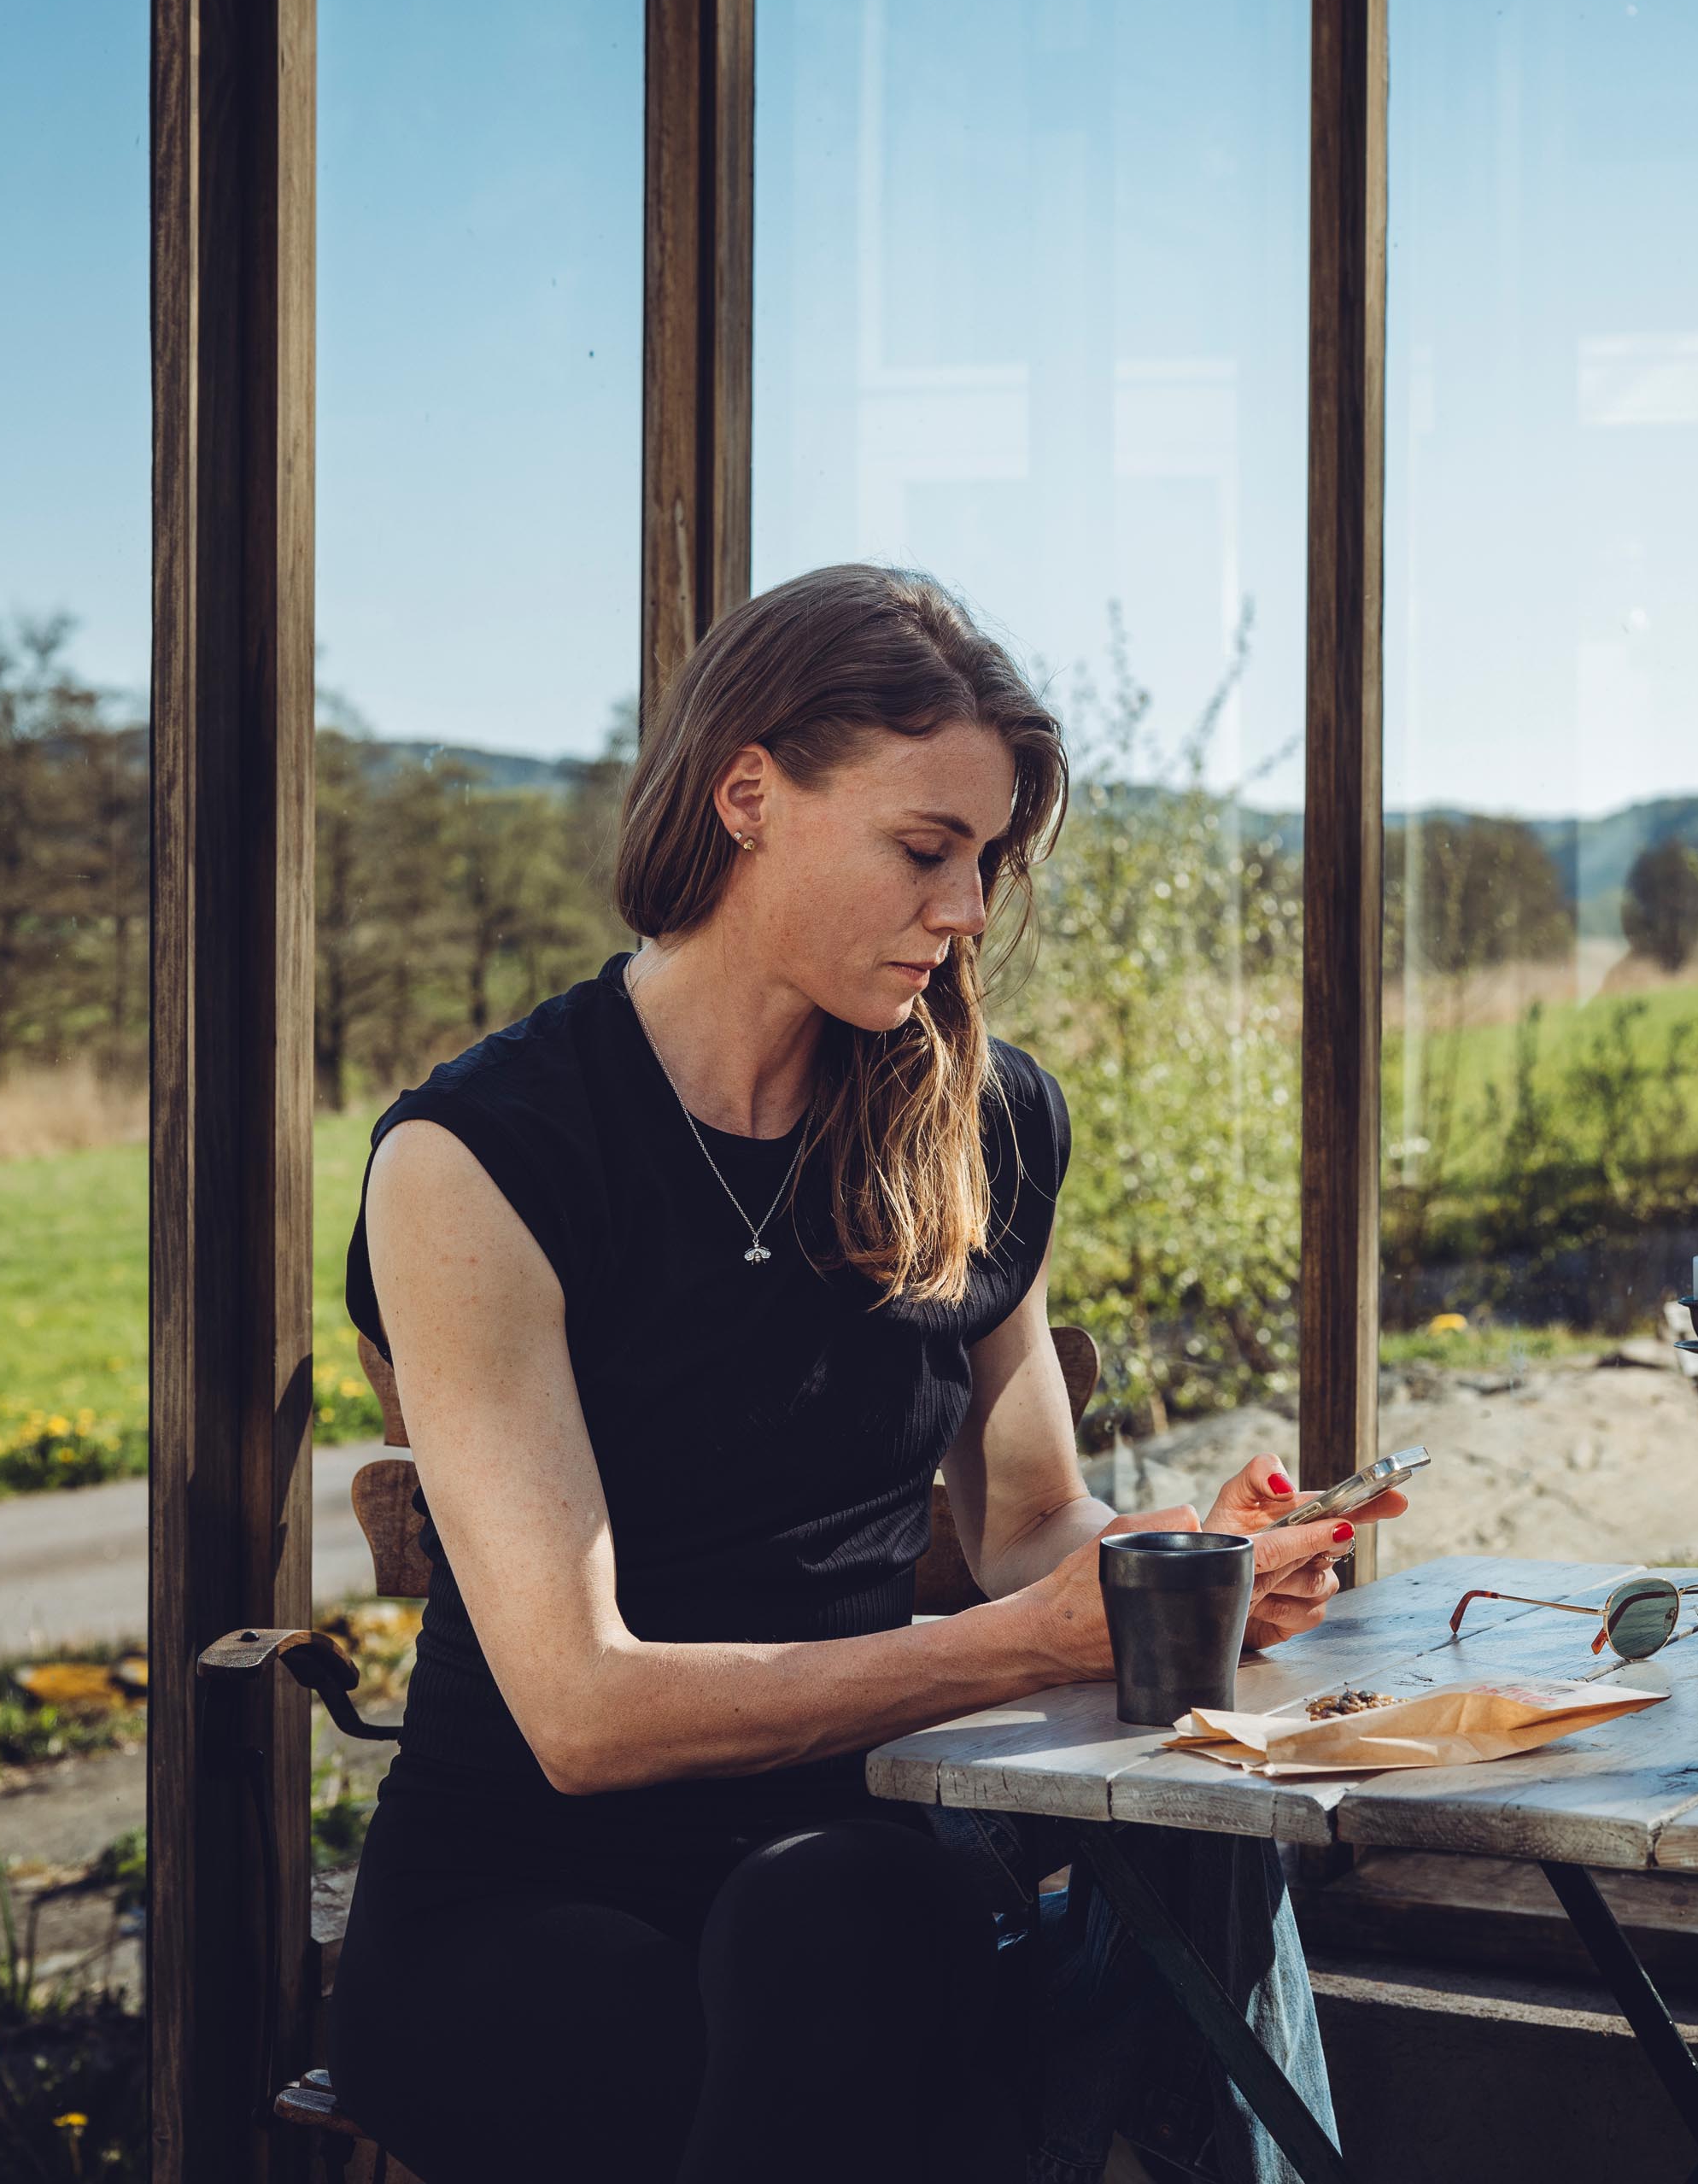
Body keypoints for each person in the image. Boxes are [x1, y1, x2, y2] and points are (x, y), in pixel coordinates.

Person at [326, 564, 1404, 2184]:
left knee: (846, 1924)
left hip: (844, 1869)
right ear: (747, 795)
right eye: (923, 849)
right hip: (527, 1900)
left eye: (986, 861)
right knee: (814, 2011)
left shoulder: (979, 1118)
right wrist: (1018, 1642)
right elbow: (583, 1712)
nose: (965, 910)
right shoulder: (482, 1156)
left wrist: (1177, 1567)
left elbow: (1032, 1520)